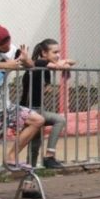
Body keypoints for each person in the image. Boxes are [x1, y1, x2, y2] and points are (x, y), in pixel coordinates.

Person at [19, 39, 74, 169]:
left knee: (35, 144)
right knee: (59, 120)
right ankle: (49, 156)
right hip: (30, 110)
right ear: (44, 53)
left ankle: (29, 178)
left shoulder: (45, 66)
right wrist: (62, 64)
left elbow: (71, 62)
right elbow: (58, 65)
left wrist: (64, 62)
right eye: (55, 52)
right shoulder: (40, 62)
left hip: (37, 109)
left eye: (59, 52)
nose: (58, 55)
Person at [0, 25, 45, 173]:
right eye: (2, 44)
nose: (7, 46)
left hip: (5, 108)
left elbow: (30, 65)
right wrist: (5, 65)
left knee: (37, 120)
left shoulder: (12, 49)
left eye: (8, 41)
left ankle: (11, 157)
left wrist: (26, 60)